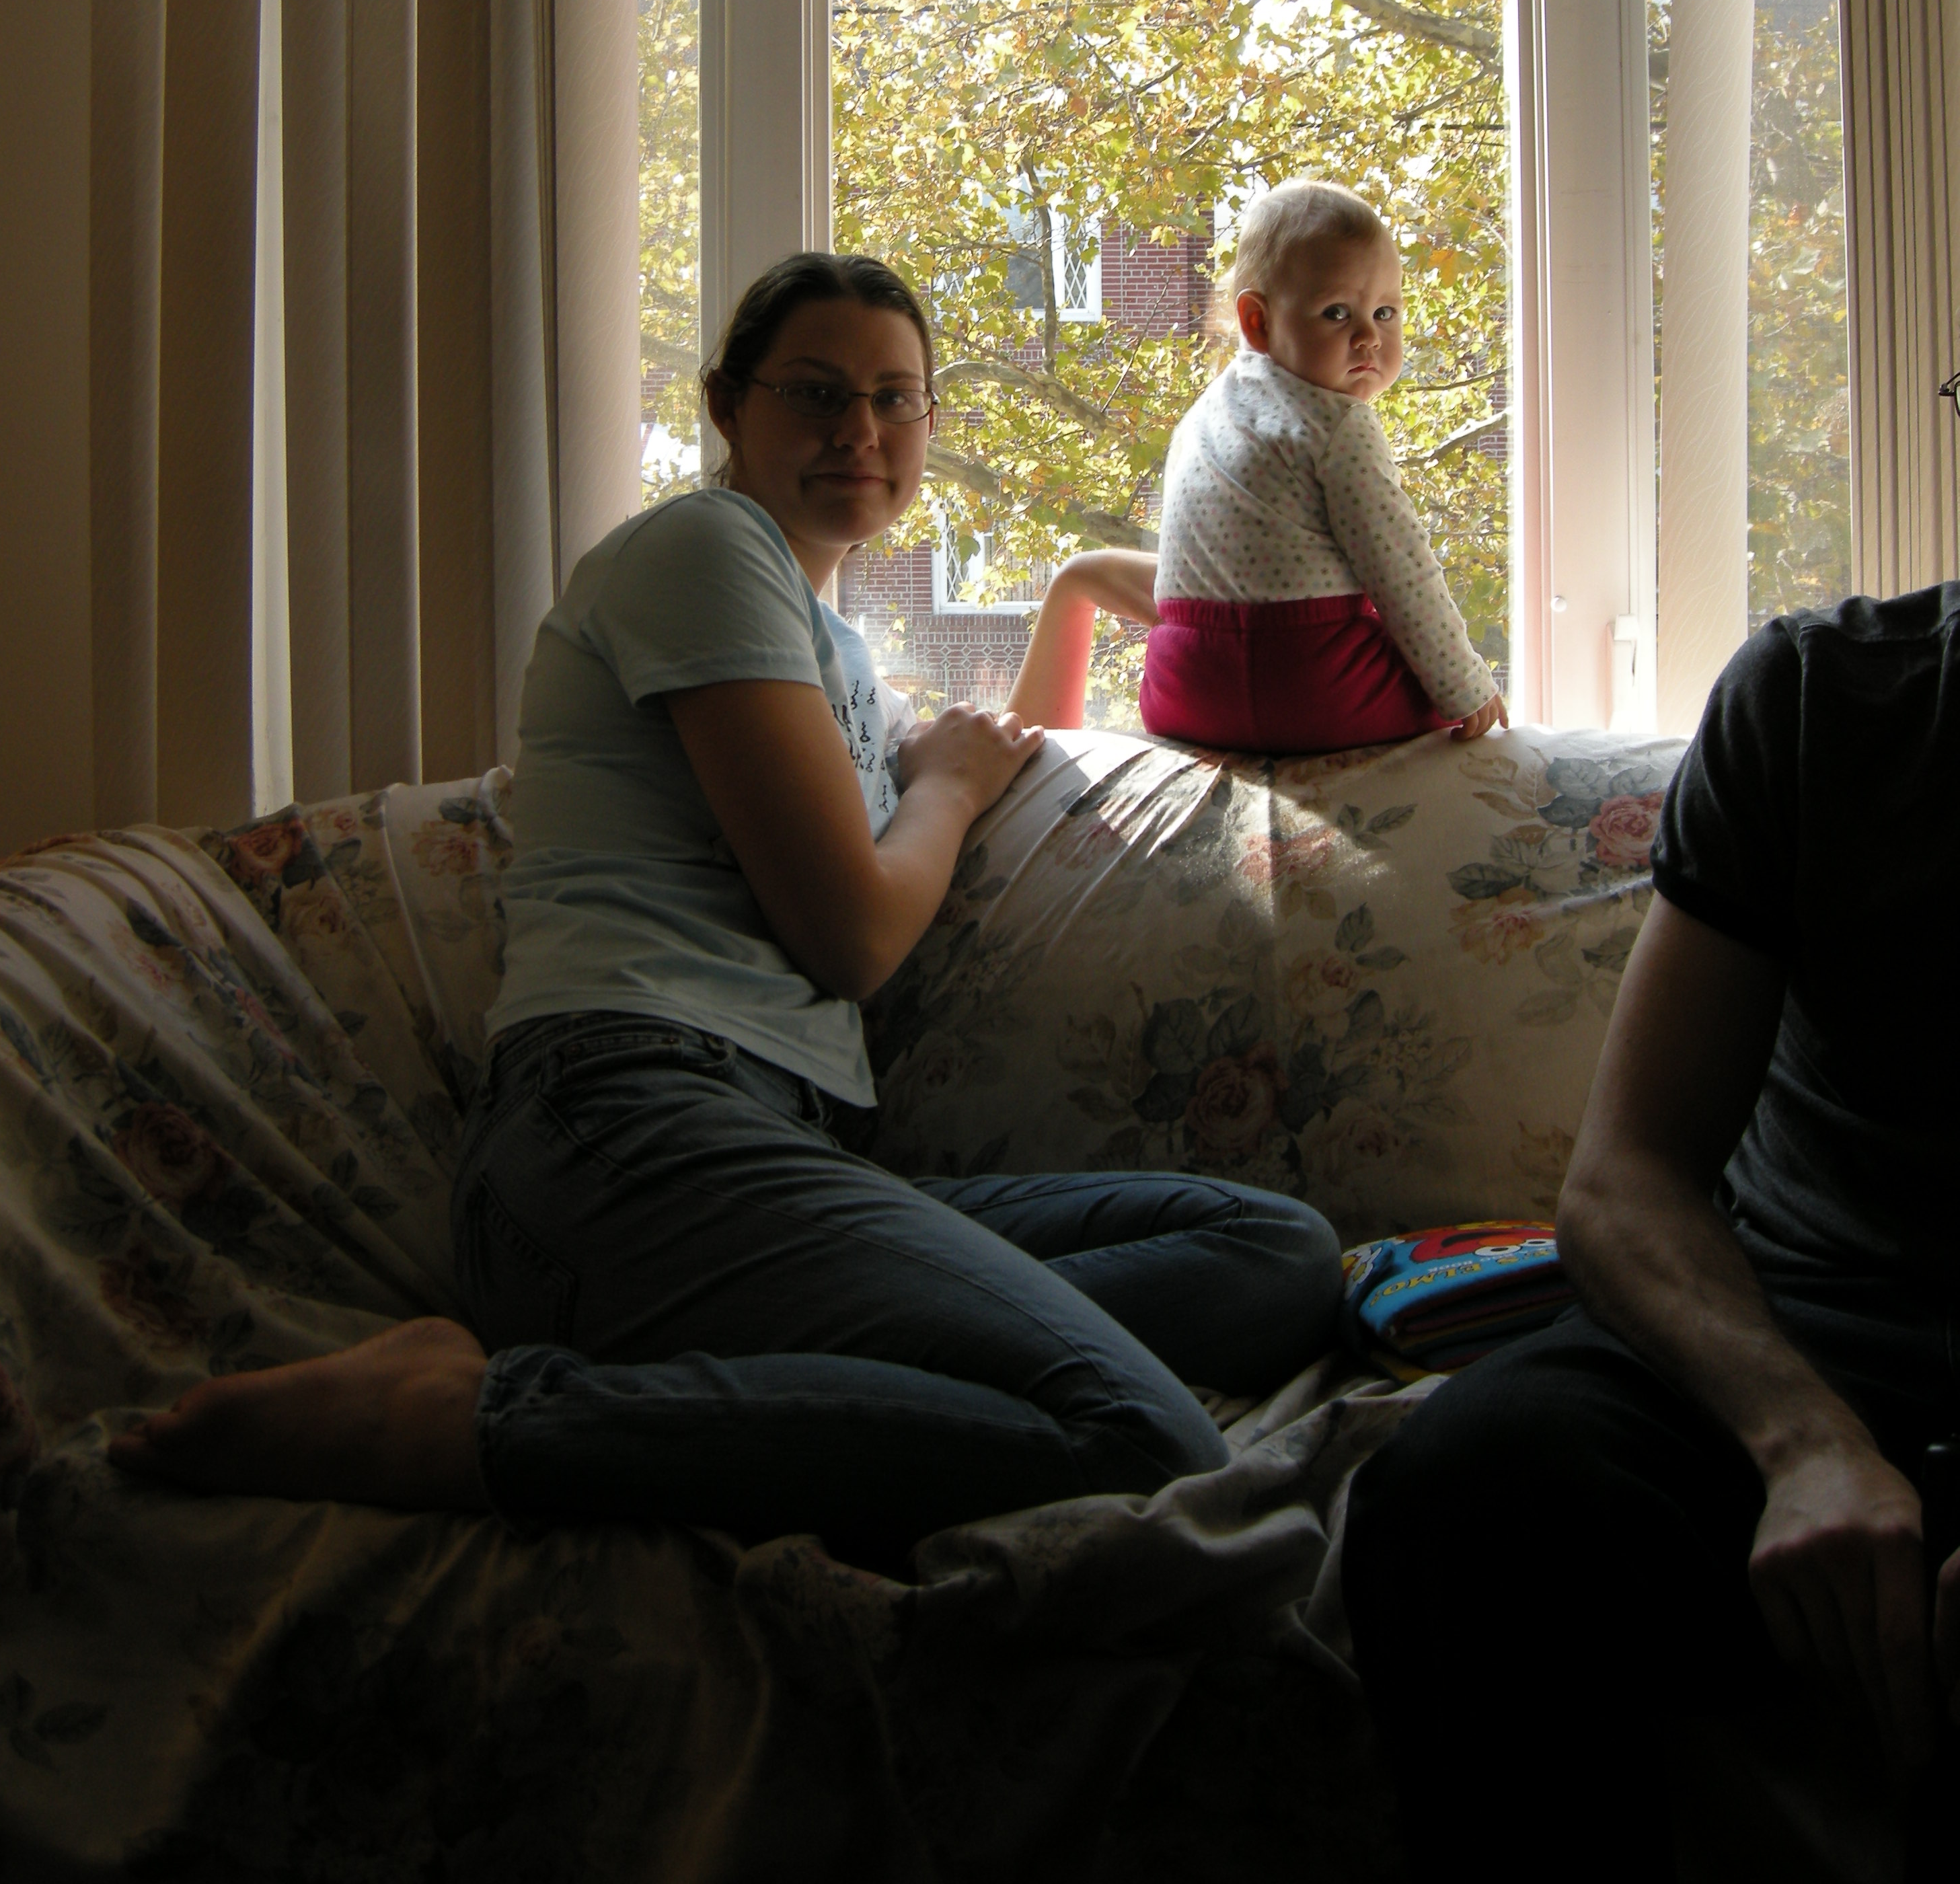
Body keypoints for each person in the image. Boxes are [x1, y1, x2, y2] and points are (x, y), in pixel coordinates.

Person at [110, 251, 1341, 1561]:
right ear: (725, 406)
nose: (859, 430)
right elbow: (853, 933)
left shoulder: (833, 653)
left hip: (776, 1149)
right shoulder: (702, 551)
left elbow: (1001, 759)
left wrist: (1073, 592)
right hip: (626, 1134)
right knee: (1138, 1437)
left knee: (1275, 1256)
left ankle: (848, 1370)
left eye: (895, 398)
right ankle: (473, 1419)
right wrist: (945, 788)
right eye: (816, 393)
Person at [1341, 584, 1960, 1880]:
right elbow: (1626, 1182)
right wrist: (1806, 1444)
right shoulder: (1817, 696)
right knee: (1472, 1482)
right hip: (1804, 1329)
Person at [1009, 180, 1505, 753]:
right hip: (1307, 687)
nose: (1369, 336)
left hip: (1183, 690)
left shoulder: (1204, 415)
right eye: (1337, 313)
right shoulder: (1340, 424)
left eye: (1385, 312)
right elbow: (1402, 569)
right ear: (1258, 321)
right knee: (1428, 692)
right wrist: (1465, 686)